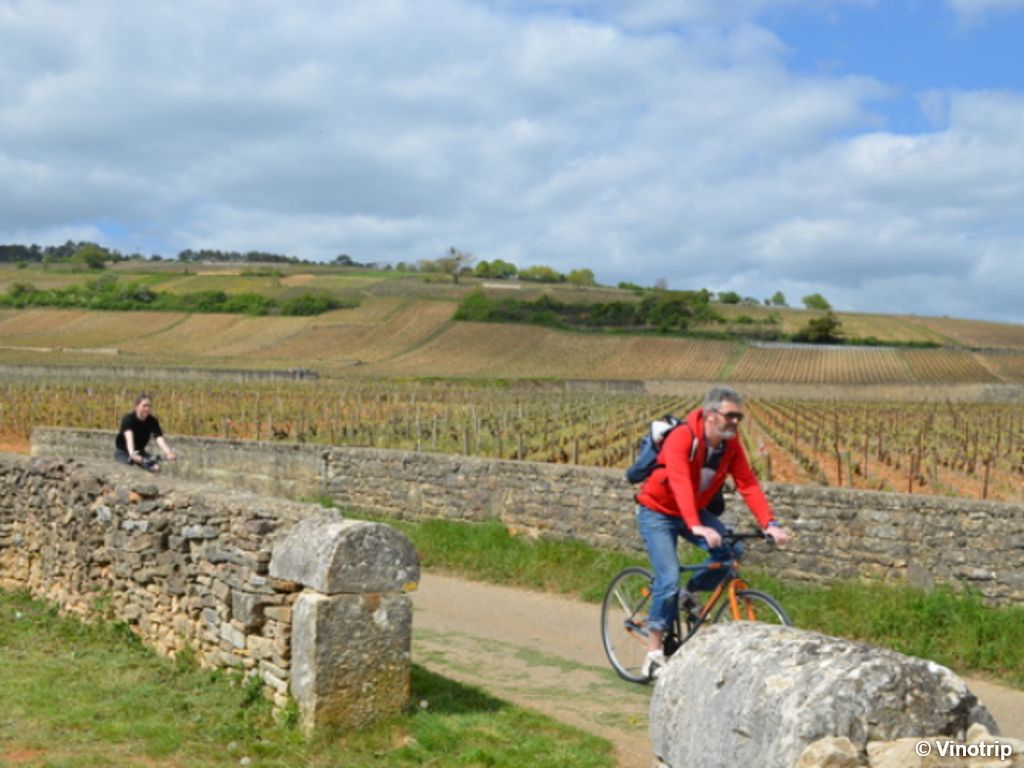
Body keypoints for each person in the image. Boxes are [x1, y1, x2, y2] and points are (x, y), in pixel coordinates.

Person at [634, 386, 789, 679]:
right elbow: (679, 482)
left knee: (731, 553)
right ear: (709, 414)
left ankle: (688, 594)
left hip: (691, 510)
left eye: (739, 417)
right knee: (667, 578)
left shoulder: (729, 446)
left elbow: (748, 483)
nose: (735, 422)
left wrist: (770, 523)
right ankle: (653, 653)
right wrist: (696, 525)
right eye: (730, 416)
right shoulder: (682, 438)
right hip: (657, 510)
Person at [114, 393, 176, 471]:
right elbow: (129, 439)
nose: (147, 408)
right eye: (144, 406)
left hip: (140, 451)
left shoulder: (152, 421)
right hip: (124, 452)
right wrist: (132, 454)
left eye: (149, 406)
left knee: (155, 467)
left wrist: (168, 452)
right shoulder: (129, 419)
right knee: (129, 468)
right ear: (136, 406)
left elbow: (158, 437)